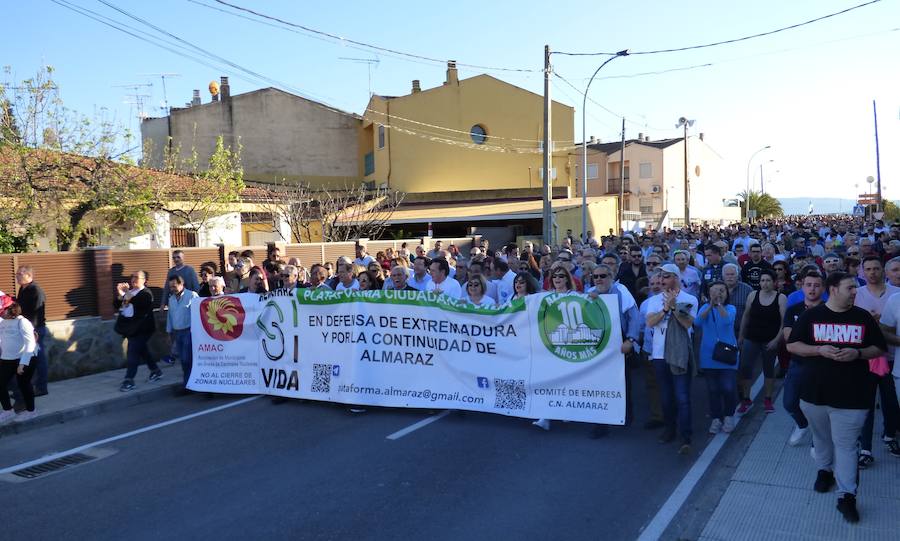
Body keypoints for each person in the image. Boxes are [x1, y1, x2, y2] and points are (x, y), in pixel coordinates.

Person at [788, 271, 887, 524]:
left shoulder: (862, 317)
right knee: (821, 439)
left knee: (845, 446)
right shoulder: (812, 316)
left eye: (855, 288)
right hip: (814, 394)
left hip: (852, 396)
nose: (856, 292)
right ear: (833, 289)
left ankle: (847, 497)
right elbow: (792, 345)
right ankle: (824, 471)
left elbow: (878, 348)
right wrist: (818, 349)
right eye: (850, 288)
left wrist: (858, 354)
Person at [645, 263, 698, 454]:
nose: (661, 280)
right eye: (660, 277)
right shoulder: (655, 300)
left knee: (682, 397)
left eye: (665, 277)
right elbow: (650, 322)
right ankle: (670, 429)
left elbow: (687, 323)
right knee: (666, 397)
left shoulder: (689, 298)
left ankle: (686, 435)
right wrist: (665, 309)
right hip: (659, 354)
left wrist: (674, 307)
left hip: (679, 353)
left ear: (675, 278)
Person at [853, 256, 900, 468]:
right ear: (863, 272)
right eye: (868, 269)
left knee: (890, 401)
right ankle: (865, 448)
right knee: (866, 402)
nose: (872, 272)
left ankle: (890, 435)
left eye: (876, 268)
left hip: (891, 357)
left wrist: (881, 322)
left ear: (884, 271)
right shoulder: (857, 294)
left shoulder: (895, 295)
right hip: (866, 357)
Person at [782, 269, 824, 447]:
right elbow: (789, 338)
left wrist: (804, 342)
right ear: (802, 287)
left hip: (823, 366)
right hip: (798, 363)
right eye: (808, 285)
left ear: (823, 288)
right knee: (789, 402)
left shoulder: (829, 310)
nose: (812, 289)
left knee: (819, 406)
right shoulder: (793, 310)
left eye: (816, 285)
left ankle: (818, 440)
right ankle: (802, 424)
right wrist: (816, 344)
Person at [737, 269, 787, 414]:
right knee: (745, 368)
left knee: (768, 369)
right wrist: (741, 336)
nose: (765, 284)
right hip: (751, 337)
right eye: (763, 280)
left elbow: (784, 322)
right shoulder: (753, 295)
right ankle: (746, 399)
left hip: (769, 339)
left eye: (768, 280)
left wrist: (776, 340)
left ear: (774, 282)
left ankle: (767, 399)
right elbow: (746, 316)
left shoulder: (781, 298)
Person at [697, 282, 739, 434]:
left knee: (728, 388)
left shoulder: (731, 308)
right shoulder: (704, 308)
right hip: (708, 356)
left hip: (727, 355)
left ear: (727, 293)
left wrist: (719, 305)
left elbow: (727, 321)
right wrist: (709, 305)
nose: (718, 294)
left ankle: (729, 416)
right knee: (713, 390)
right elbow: (697, 323)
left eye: (721, 291)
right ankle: (716, 418)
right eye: (714, 291)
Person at [115, 271, 160, 392]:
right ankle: (156, 371)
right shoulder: (131, 293)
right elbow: (117, 305)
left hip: (143, 329)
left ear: (144, 280)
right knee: (142, 350)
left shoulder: (146, 293)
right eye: (132, 277)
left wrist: (126, 293)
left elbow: (138, 302)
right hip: (131, 328)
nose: (133, 279)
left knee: (132, 351)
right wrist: (120, 294)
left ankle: (129, 380)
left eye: (136, 277)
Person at [0, 303, 38, 423]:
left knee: (24, 384)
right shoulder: (3, 322)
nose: (1, 312)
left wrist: (23, 363)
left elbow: (30, 343)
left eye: (3, 310)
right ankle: (8, 411)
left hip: (24, 358)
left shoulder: (23, 322)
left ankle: (31, 411)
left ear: (11, 310)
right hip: (7, 359)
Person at [15, 265, 48, 397]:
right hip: (25, 328)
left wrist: (32, 331)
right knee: (29, 359)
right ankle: (28, 387)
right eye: (17, 274)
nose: (17, 276)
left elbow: (37, 312)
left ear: (29, 275)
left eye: (20, 274)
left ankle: (41, 387)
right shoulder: (23, 289)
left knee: (39, 359)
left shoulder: (36, 290)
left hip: (35, 330)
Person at [165, 275, 198, 389]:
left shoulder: (192, 295)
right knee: (182, 361)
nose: (172, 289)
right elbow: (170, 317)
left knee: (186, 359)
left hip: (189, 332)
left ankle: (188, 385)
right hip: (177, 333)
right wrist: (169, 333)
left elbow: (199, 314)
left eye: (174, 286)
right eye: (170, 287)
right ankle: (189, 382)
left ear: (181, 284)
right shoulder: (171, 299)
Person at [723, 264, 754, 335]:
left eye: (732, 274)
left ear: (737, 276)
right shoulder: (717, 289)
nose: (730, 277)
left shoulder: (747, 289)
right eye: (727, 274)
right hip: (722, 331)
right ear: (723, 276)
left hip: (742, 331)